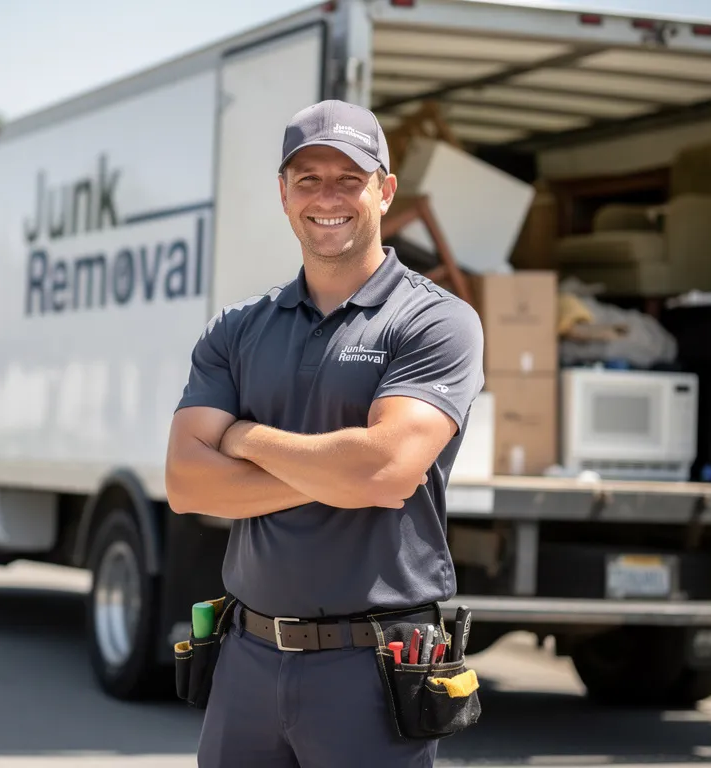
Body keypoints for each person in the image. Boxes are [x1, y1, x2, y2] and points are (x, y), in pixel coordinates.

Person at [164, 99, 485, 767]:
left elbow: (383, 471)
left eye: (349, 178)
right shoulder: (239, 329)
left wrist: (245, 438)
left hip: (368, 673)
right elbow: (186, 483)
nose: (327, 197)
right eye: (308, 179)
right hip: (246, 665)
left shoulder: (434, 323)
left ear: (385, 190)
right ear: (283, 194)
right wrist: (333, 473)